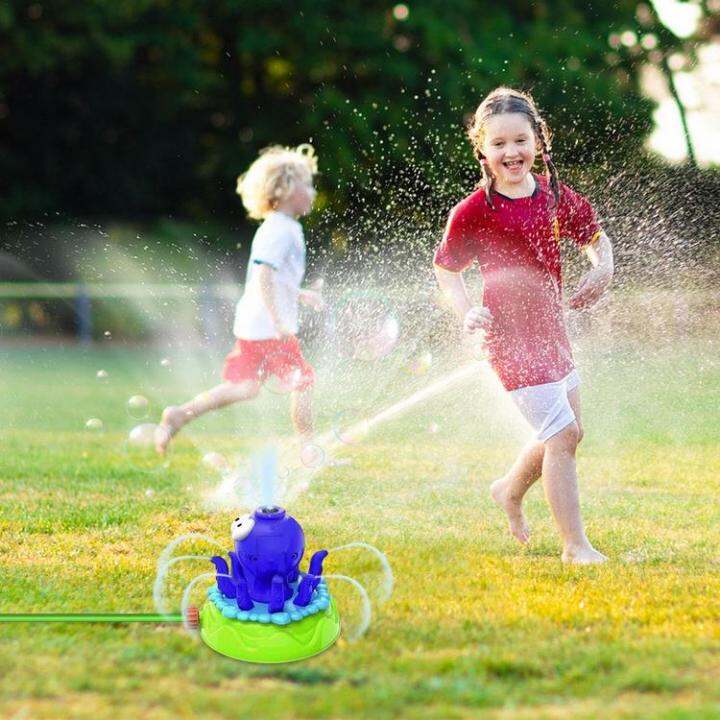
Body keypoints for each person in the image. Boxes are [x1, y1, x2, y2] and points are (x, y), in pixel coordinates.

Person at [433, 88, 614, 564]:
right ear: (483, 151)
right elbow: (446, 269)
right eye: (498, 144)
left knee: (570, 431)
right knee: (562, 438)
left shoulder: (555, 195)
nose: (511, 152)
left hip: (553, 334)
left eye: (520, 140)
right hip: (508, 342)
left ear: (539, 139)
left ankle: (509, 490)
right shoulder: (475, 211)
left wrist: (603, 268)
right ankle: (575, 547)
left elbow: (596, 239)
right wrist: (466, 310)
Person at [156, 144, 324, 455]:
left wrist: (300, 295)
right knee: (304, 379)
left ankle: (179, 414)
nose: (313, 192)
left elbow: (276, 279)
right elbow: (263, 275)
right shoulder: (282, 229)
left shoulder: (281, 227)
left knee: (243, 388)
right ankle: (308, 449)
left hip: (253, 325)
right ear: (286, 188)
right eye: (308, 184)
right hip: (270, 328)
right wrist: (279, 321)